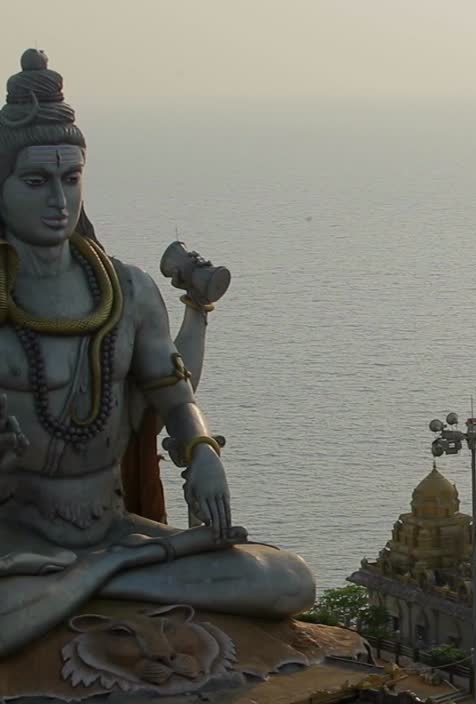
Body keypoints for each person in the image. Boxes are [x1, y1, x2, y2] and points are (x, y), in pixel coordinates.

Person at [0, 49, 314, 659]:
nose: (58, 199)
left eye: (71, 178)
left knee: (287, 580)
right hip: (16, 541)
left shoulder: (129, 290)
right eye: (36, 181)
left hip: (116, 530)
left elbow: (173, 393)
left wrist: (200, 452)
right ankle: (100, 577)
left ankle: (92, 577)